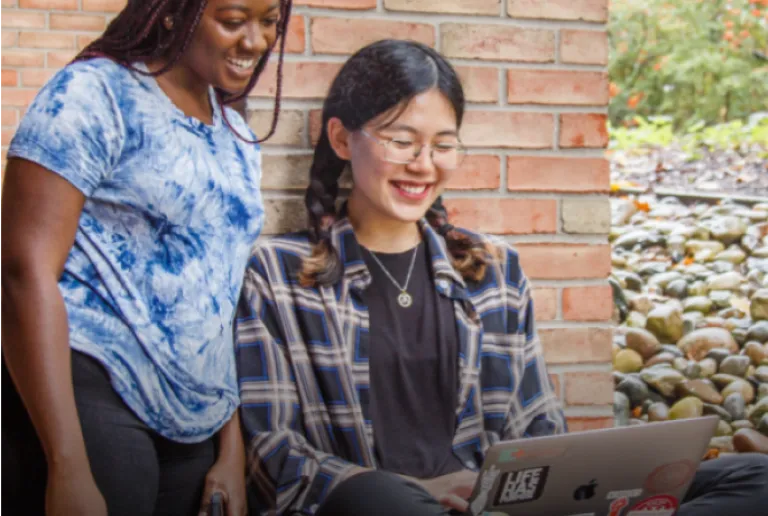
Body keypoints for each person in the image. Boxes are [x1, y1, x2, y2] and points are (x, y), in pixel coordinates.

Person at [233, 39, 768, 516]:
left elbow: (537, 427)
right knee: (385, 500)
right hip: (383, 503)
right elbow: (272, 454)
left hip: (493, 505)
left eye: (443, 145)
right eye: (402, 140)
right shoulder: (278, 275)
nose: (424, 164)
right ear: (342, 139)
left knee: (755, 476)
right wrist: (419, 486)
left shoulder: (494, 269)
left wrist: (560, 485)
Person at [0, 1, 292, 515]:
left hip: (192, 426)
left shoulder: (237, 133)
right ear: (174, 13)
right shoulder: (95, 94)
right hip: (91, 389)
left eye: (269, 23)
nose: (256, 41)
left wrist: (230, 449)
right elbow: (23, 273)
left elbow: (215, 296)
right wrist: (67, 464)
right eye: (233, 20)